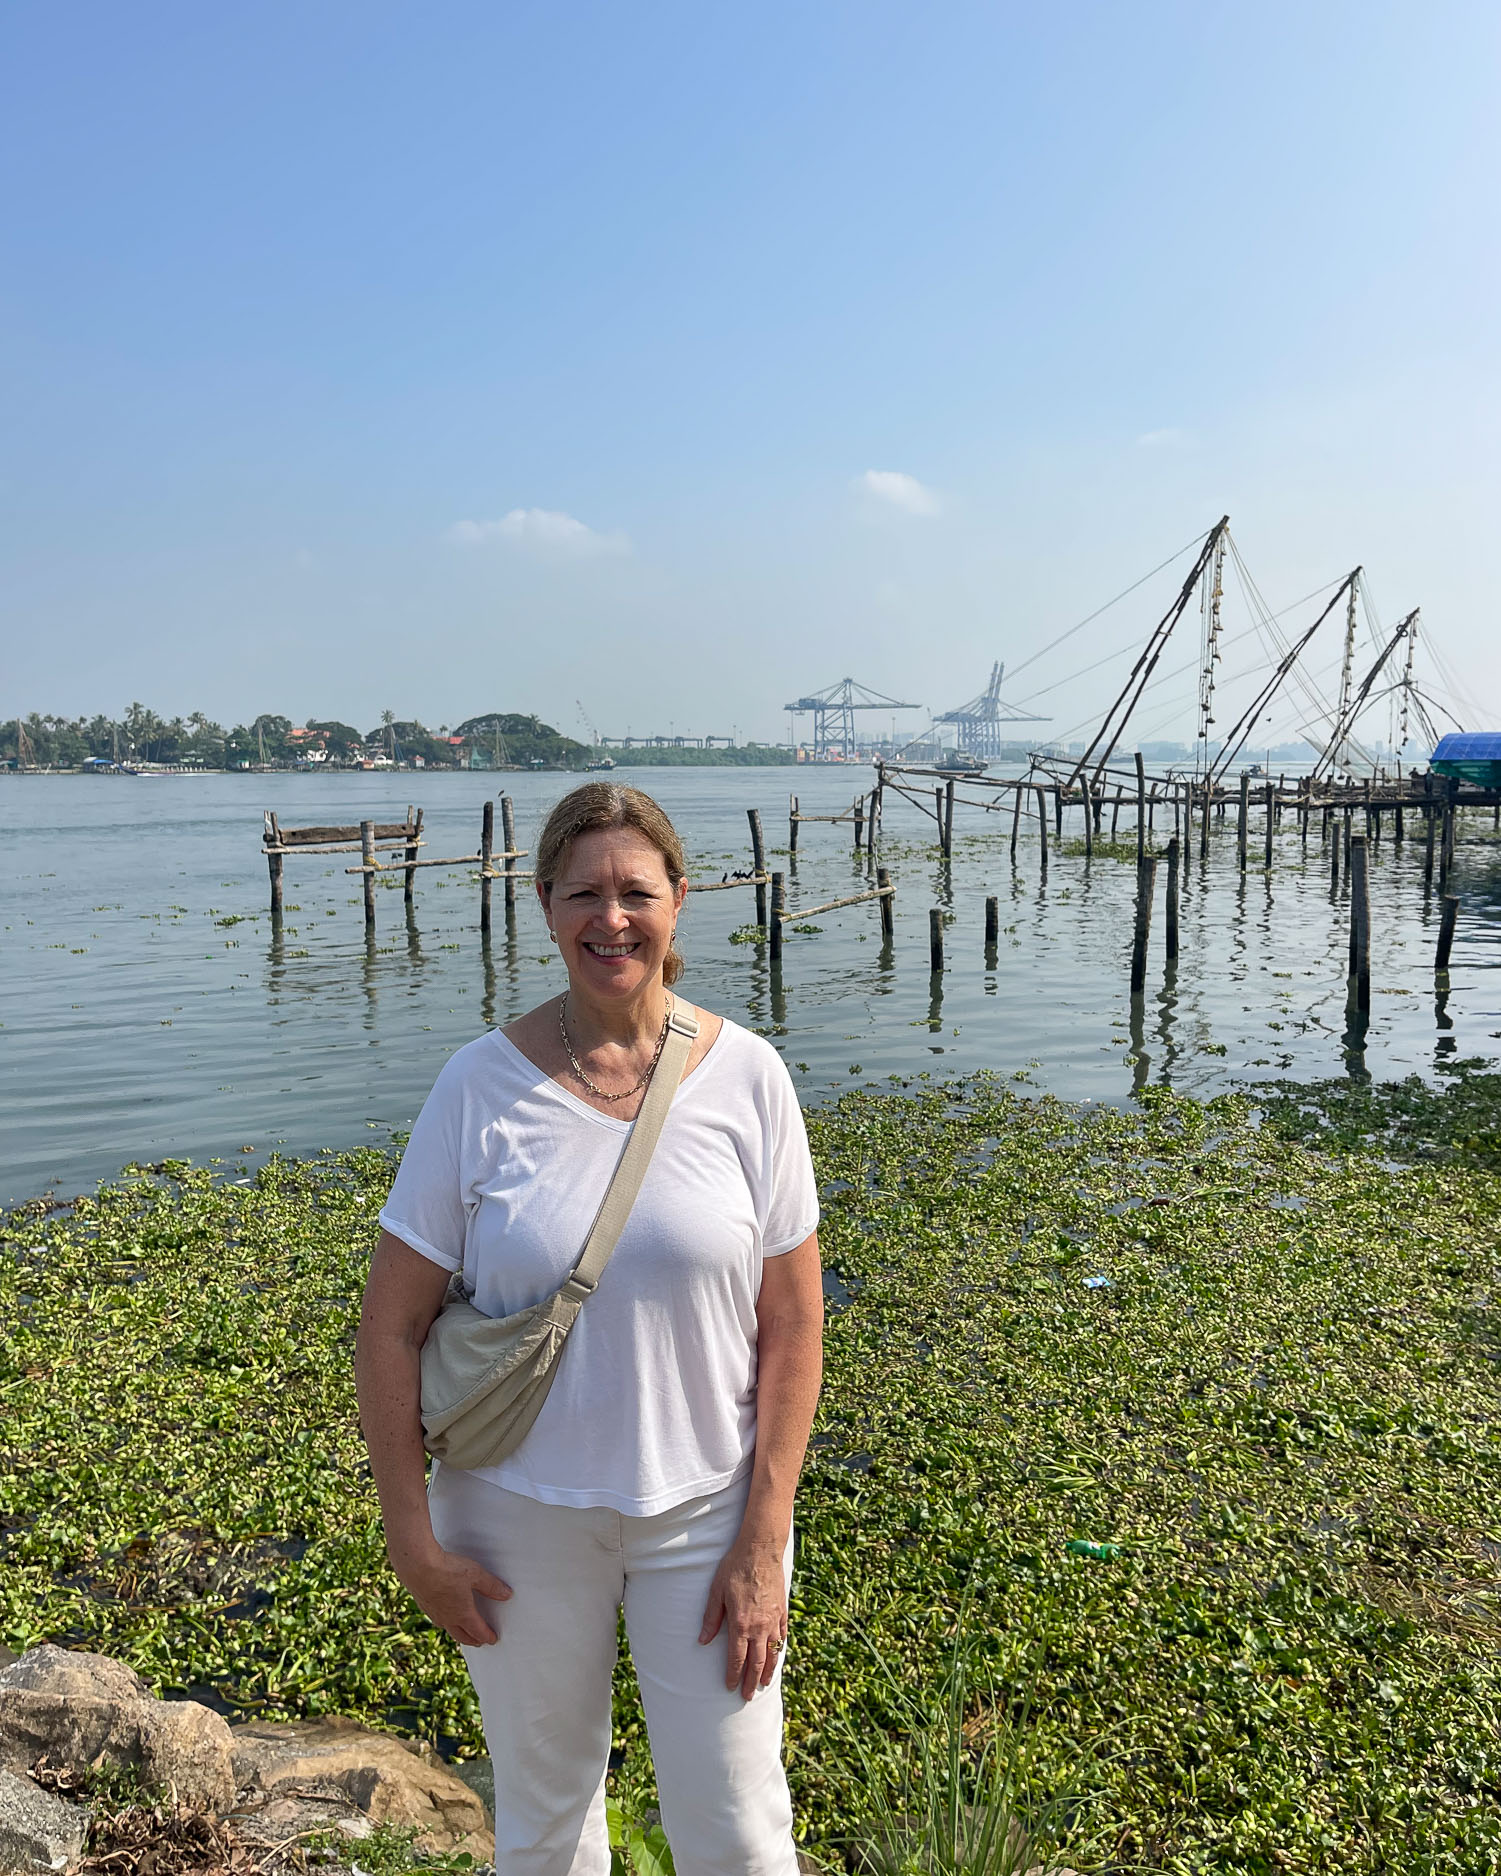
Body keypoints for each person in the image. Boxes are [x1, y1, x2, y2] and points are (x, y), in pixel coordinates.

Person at [355, 782, 824, 1876]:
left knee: (741, 1830)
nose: (610, 919)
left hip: (708, 1516)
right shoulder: (477, 1088)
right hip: (516, 1525)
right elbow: (388, 1326)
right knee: (546, 1828)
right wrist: (410, 1537)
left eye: (634, 892)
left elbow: (794, 1321)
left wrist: (764, 1538)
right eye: (584, 894)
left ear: (678, 902)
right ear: (544, 904)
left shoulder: (750, 1077)